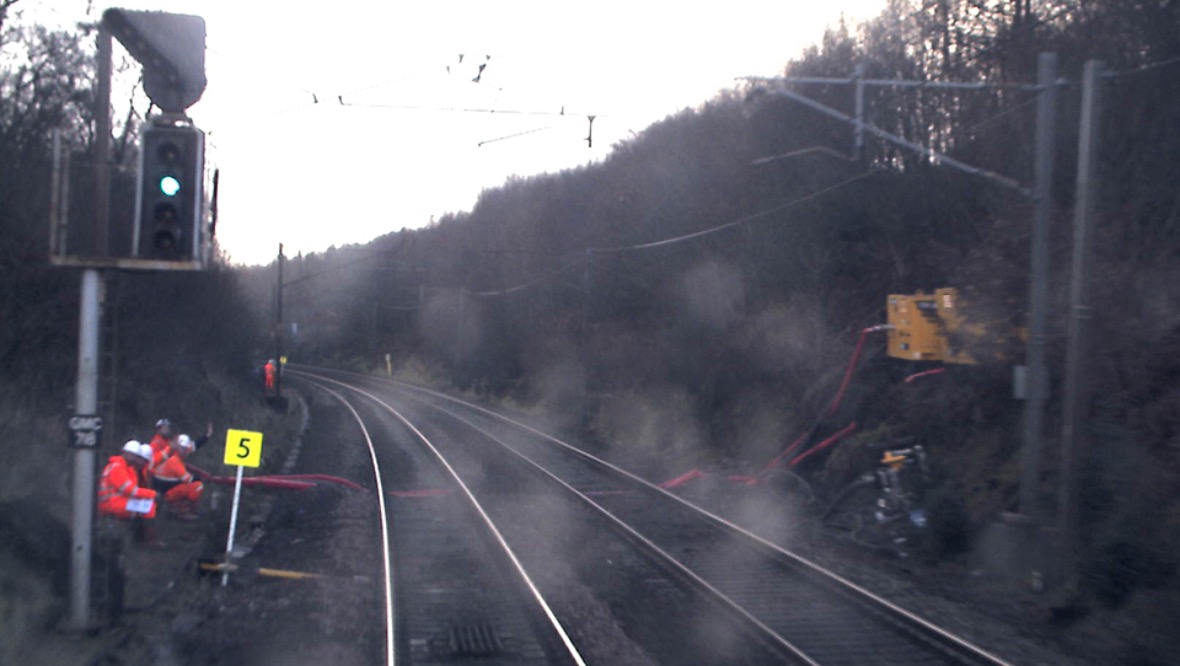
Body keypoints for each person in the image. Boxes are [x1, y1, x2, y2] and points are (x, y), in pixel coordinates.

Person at [98, 441, 161, 545]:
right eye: (132, 455)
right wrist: (152, 494)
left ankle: (145, 537)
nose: (135, 459)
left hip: (116, 501)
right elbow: (130, 490)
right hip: (111, 504)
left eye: (136, 456)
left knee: (146, 505)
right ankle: (150, 540)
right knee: (149, 507)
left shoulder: (125, 467)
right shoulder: (117, 467)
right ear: (124, 453)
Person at [152, 434, 204, 520]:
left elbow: (193, 446)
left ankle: (176, 506)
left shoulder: (174, 453)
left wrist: (206, 436)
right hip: (166, 493)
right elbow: (188, 479)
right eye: (183, 448)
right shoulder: (174, 461)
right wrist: (200, 477)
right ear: (178, 447)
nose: (185, 451)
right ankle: (181, 510)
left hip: (163, 488)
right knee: (197, 486)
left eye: (186, 449)